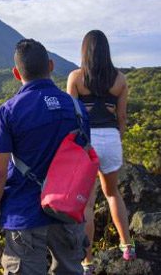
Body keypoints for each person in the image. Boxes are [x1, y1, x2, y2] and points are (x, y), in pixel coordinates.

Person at [0, 38, 90, 275]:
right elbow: (84, 160)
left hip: (25, 214)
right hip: (68, 213)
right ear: (51, 66)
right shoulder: (76, 108)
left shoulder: (9, 111)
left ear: (16, 73)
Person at [67, 30, 136, 275]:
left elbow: (72, 117)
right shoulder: (120, 79)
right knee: (113, 193)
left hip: (86, 142)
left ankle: (87, 263)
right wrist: (115, 138)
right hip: (110, 138)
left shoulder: (76, 77)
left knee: (86, 204)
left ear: (85, 51)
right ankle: (127, 246)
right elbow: (122, 118)